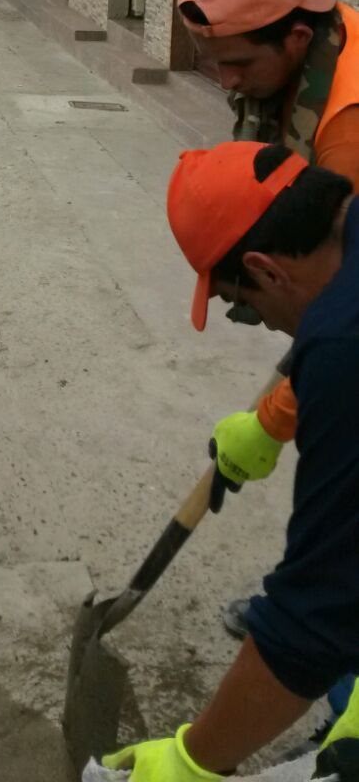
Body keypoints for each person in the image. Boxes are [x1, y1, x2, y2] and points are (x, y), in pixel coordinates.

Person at [104, 140, 359, 782]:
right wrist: (270, 425)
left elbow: (316, 618)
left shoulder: (338, 347)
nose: (262, 324)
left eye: (241, 305)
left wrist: (193, 761)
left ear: (267, 271)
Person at [177, 0, 359, 638]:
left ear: (298, 36)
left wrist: (272, 420)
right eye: (213, 61)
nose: (225, 81)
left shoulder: (344, 130)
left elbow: (341, 315)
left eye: (240, 64)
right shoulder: (312, 47)